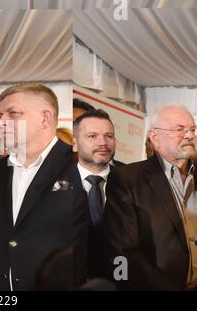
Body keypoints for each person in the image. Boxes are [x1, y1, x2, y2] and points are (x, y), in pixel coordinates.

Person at [0, 83, 89, 290]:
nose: (2, 122)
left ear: (45, 118)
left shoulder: (79, 165)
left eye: (13, 114)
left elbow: (92, 246)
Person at [104, 104, 197, 290]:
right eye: (179, 129)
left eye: (192, 129)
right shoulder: (128, 179)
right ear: (155, 138)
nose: (189, 136)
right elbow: (123, 251)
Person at [73, 109, 116, 279]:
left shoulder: (133, 181)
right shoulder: (52, 182)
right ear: (74, 143)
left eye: (109, 136)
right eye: (92, 136)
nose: (103, 143)